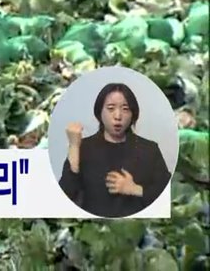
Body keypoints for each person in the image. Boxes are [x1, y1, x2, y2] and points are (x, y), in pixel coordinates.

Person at [59, 82, 172, 218]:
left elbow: (168, 195)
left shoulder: (149, 150)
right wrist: (74, 146)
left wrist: (136, 189)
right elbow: (65, 196)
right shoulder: (84, 148)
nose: (118, 116)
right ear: (99, 112)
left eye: (125, 109)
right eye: (111, 108)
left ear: (133, 114)